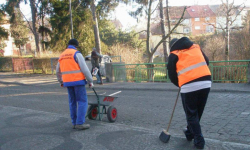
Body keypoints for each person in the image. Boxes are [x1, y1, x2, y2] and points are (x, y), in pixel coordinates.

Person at [167, 37, 211, 149]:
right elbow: (207, 61)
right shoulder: (196, 47)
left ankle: (199, 141)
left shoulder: (174, 54)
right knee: (197, 112)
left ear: (172, 46)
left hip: (189, 85)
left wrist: (180, 83)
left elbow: (172, 75)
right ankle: (190, 133)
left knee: (191, 114)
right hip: (206, 81)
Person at [56, 39, 94, 130]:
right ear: (76, 46)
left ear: (68, 45)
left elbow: (58, 71)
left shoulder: (62, 55)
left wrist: (61, 82)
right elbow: (84, 69)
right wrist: (90, 81)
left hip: (67, 83)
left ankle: (74, 122)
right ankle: (80, 123)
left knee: (72, 102)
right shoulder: (76, 54)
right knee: (82, 101)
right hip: (78, 82)